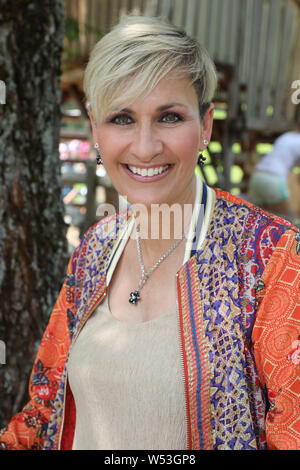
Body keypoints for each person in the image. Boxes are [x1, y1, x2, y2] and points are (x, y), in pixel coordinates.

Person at [0, 15, 299, 451]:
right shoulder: (95, 250)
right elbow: (44, 411)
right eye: (121, 118)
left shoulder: (271, 255)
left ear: (206, 127)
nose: (144, 146)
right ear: (95, 128)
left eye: (169, 117)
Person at [248, 130, 300, 218]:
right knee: (286, 222)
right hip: (273, 179)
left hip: (257, 176)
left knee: (258, 220)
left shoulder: (286, 136)